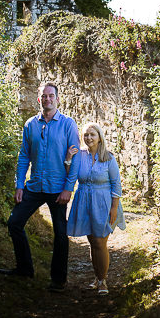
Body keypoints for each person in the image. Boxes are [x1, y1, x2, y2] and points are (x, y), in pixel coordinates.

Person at [0, 82, 80, 292]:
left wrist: (68, 188)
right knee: (14, 223)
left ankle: (58, 280)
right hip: (34, 187)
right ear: (39, 99)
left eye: (51, 96)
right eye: (44, 96)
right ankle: (25, 269)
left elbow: (76, 158)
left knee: (60, 234)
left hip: (57, 189)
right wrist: (19, 185)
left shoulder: (68, 124)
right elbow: (24, 155)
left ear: (58, 99)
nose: (47, 99)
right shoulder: (30, 125)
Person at [65, 122, 125, 295]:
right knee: (92, 242)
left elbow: (116, 185)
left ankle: (103, 280)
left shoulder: (108, 157)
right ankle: (97, 277)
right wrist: (69, 158)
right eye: (86, 135)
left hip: (103, 203)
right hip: (84, 202)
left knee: (100, 242)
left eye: (92, 134)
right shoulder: (80, 156)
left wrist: (114, 208)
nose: (89, 138)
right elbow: (71, 175)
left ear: (99, 137)